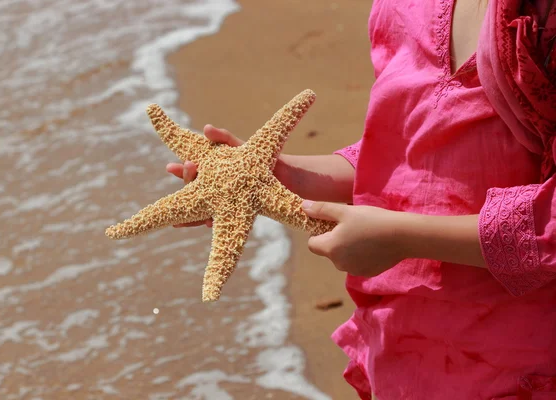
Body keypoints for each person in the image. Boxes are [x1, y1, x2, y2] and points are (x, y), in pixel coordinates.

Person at [167, 0, 556, 398]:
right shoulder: (402, 7)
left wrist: (402, 237)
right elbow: (405, 155)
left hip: (518, 358)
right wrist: (279, 174)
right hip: (402, 342)